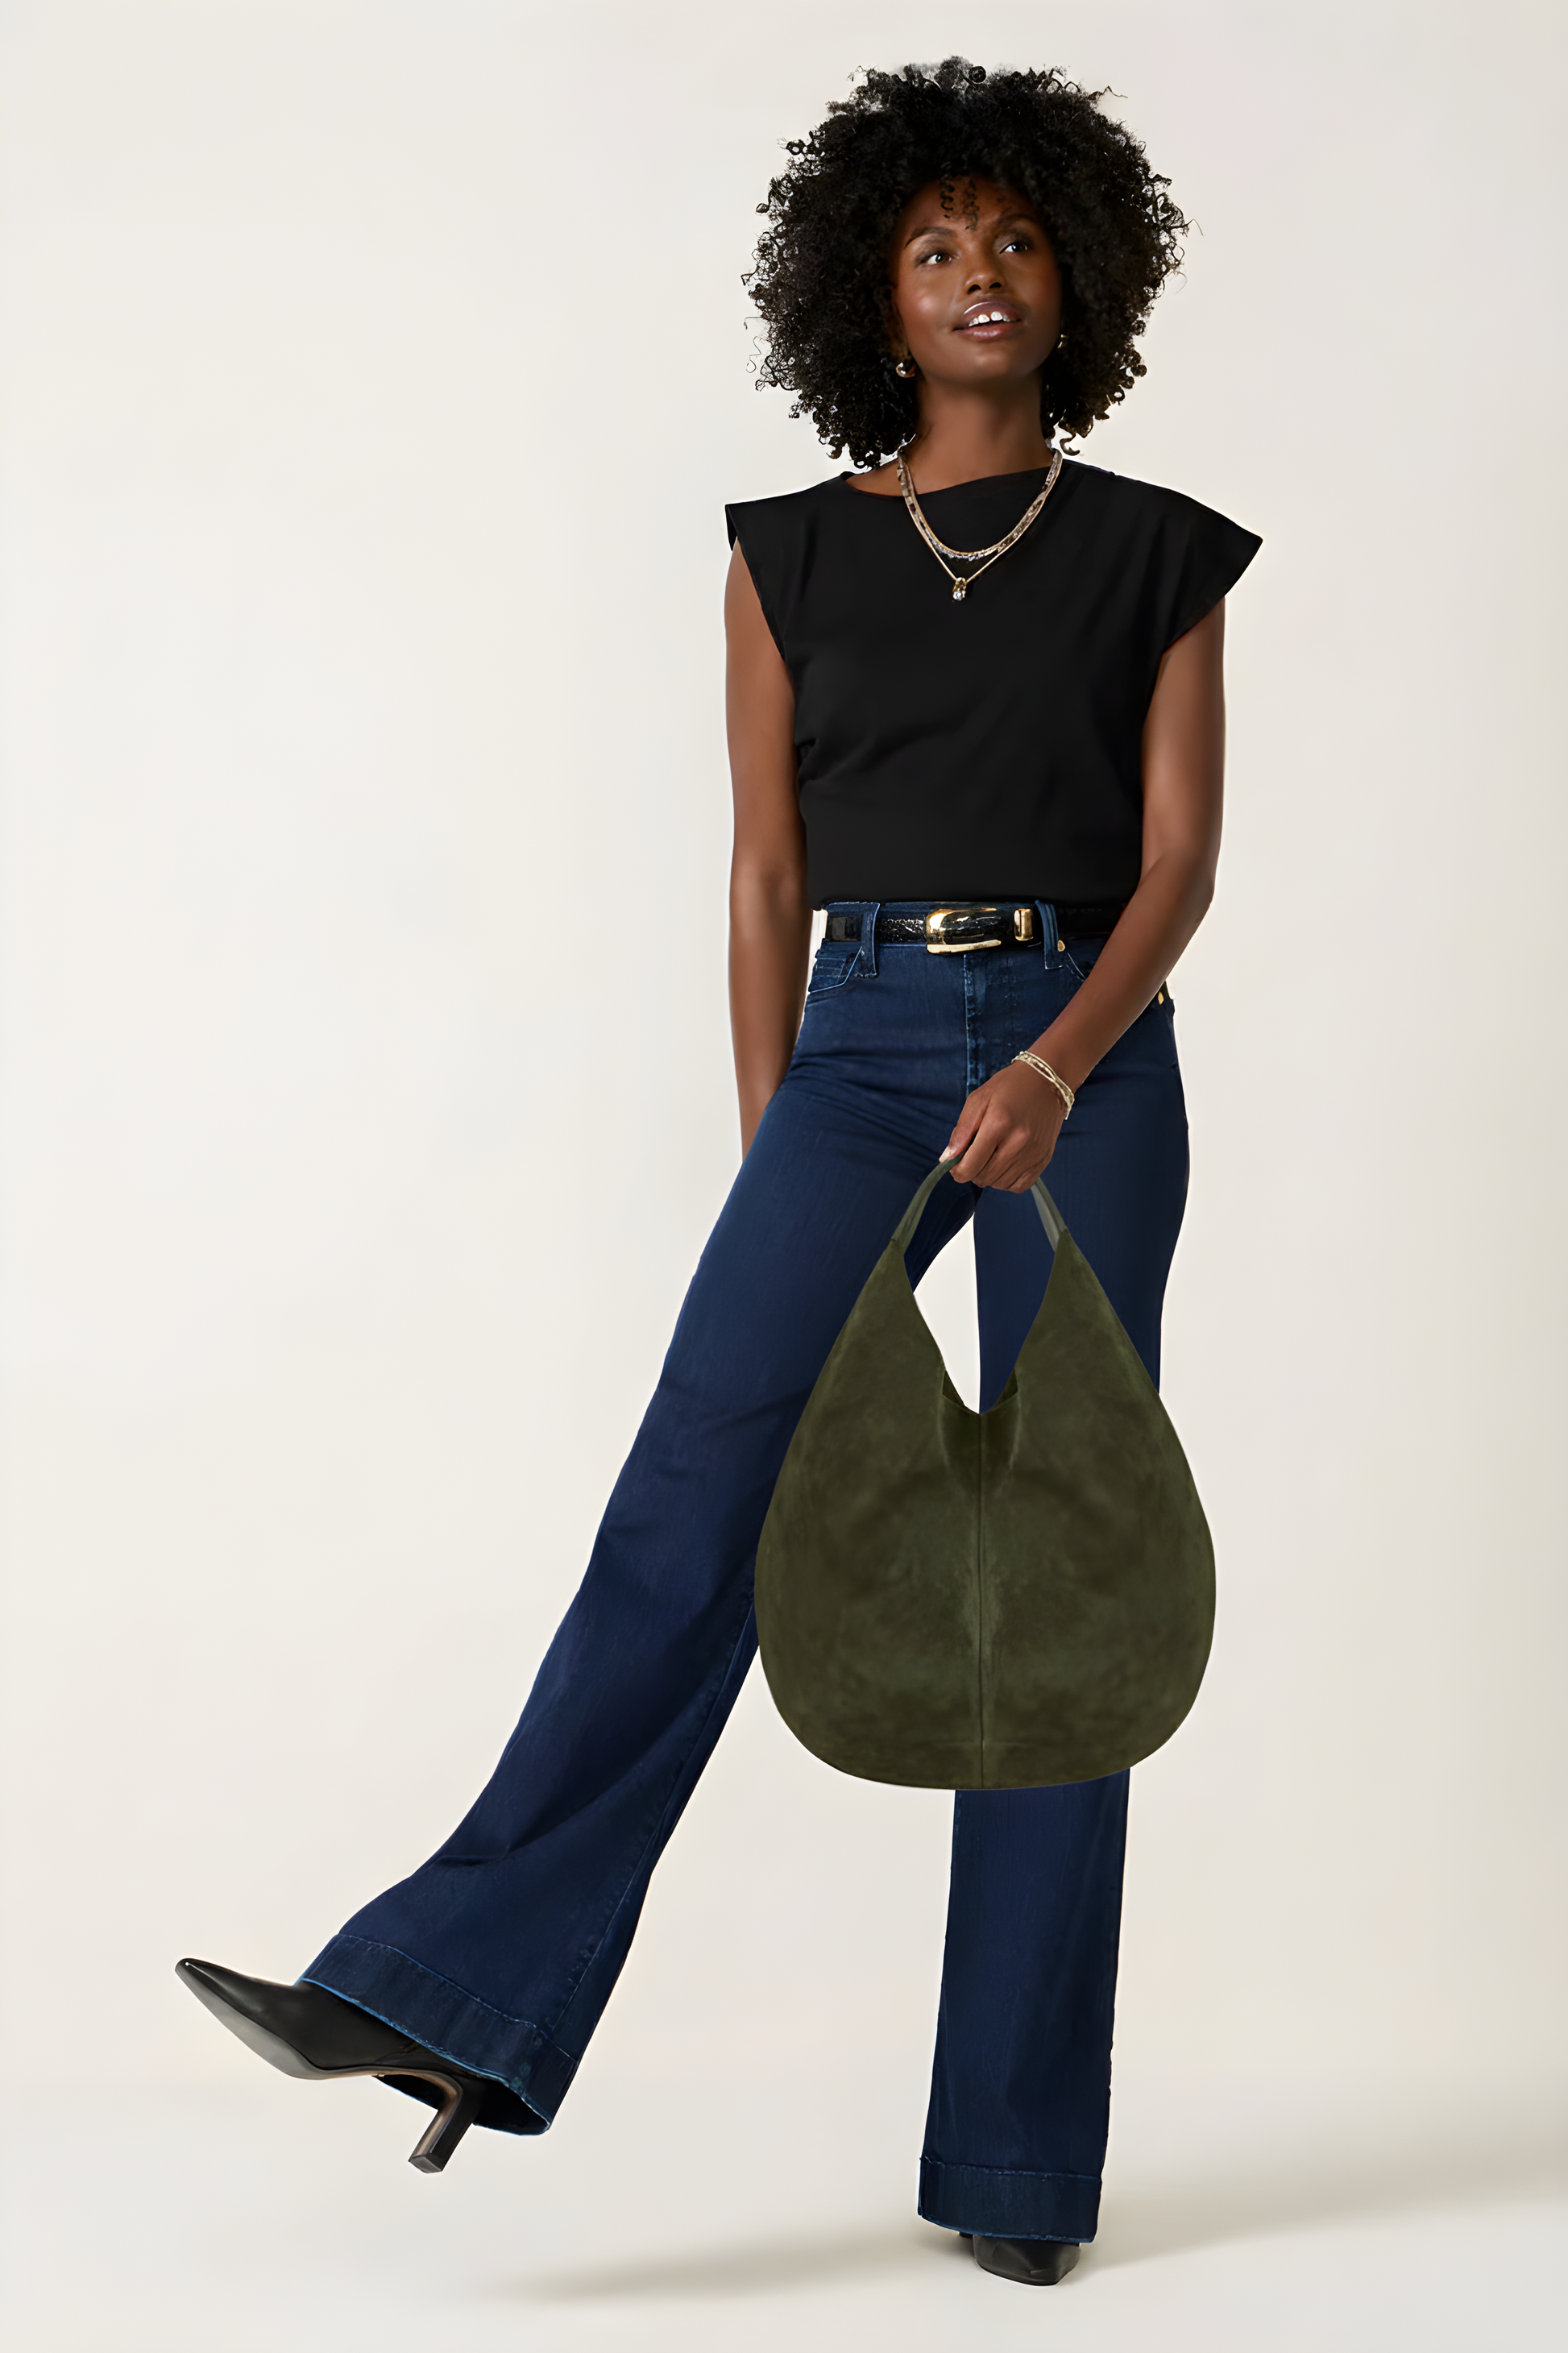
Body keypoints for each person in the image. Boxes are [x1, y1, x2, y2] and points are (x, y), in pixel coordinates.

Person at [178, 59, 1259, 2290]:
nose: (979, 274)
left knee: (1054, 1580)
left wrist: (1056, 1064)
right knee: (695, 1504)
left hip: (1090, 1051)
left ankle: (1020, 2170)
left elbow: (1178, 866)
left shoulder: (1158, 548)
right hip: (853, 1050)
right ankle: (445, 1997)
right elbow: (765, 872)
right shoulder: (788, 555)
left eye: (1016, 241)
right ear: (875, 288)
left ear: (1078, 278)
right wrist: (786, 1147)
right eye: (935, 245)